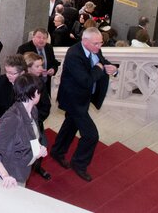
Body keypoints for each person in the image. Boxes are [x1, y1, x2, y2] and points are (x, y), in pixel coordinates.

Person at [50, 28, 117, 182]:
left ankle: (57, 151)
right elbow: (86, 80)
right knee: (91, 135)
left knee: (70, 125)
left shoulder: (94, 48)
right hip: (73, 100)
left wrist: (113, 69)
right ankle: (79, 164)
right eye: (96, 43)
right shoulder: (74, 54)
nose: (99, 46)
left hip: (84, 98)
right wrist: (99, 68)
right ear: (85, 41)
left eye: (101, 43)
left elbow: (101, 60)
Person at [0, 74, 47, 188]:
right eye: (40, 92)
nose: (41, 95)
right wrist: (6, 176)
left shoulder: (33, 110)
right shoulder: (13, 118)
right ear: (34, 94)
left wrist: (38, 149)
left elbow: (32, 135)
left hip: (20, 172)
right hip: (2, 175)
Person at [23, 52, 53, 180]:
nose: (41, 69)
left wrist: (36, 119)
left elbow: (46, 105)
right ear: (28, 67)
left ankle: (37, 166)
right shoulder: (20, 82)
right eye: (37, 66)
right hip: (20, 123)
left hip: (36, 122)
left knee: (41, 145)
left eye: (41, 65)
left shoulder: (40, 82)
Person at [0, 55, 27, 135]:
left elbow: (42, 107)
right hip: (1, 127)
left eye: (12, 73)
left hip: (23, 128)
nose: (8, 75)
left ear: (22, 73)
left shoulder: (30, 84)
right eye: (6, 72)